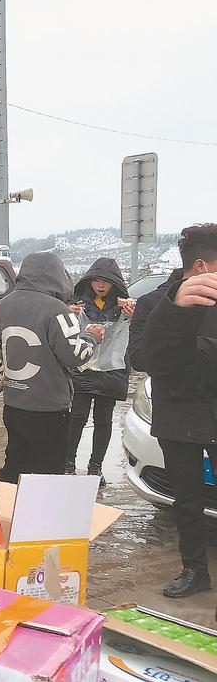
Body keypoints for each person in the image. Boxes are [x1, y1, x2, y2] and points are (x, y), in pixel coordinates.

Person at [137, 224, 217, 599]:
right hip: (178, 417)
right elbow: (139, 357)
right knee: (186, 501)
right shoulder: (157, 303)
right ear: (201, 266)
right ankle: (194, 571)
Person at [0, 252, 103, 482]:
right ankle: (40, 515)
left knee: (15, 463)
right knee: (48, 472)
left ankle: (3, 508)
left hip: (14, 402)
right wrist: (91, 337)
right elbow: (74, 355)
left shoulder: (5, 304)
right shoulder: (56, 309)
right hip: (48, 406)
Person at [64, 258, 136, 483]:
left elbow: (141, 331)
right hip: (83, 368)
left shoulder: (126, 306)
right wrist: (68, 313)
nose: (100, 286)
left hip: (111, 371)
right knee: (76, 417)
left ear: (115, 283)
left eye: (105, 281)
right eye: (96, 281)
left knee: (104, 420)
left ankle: (95, 467)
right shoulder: (77, 304)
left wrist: (136, 316)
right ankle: (68, 463)